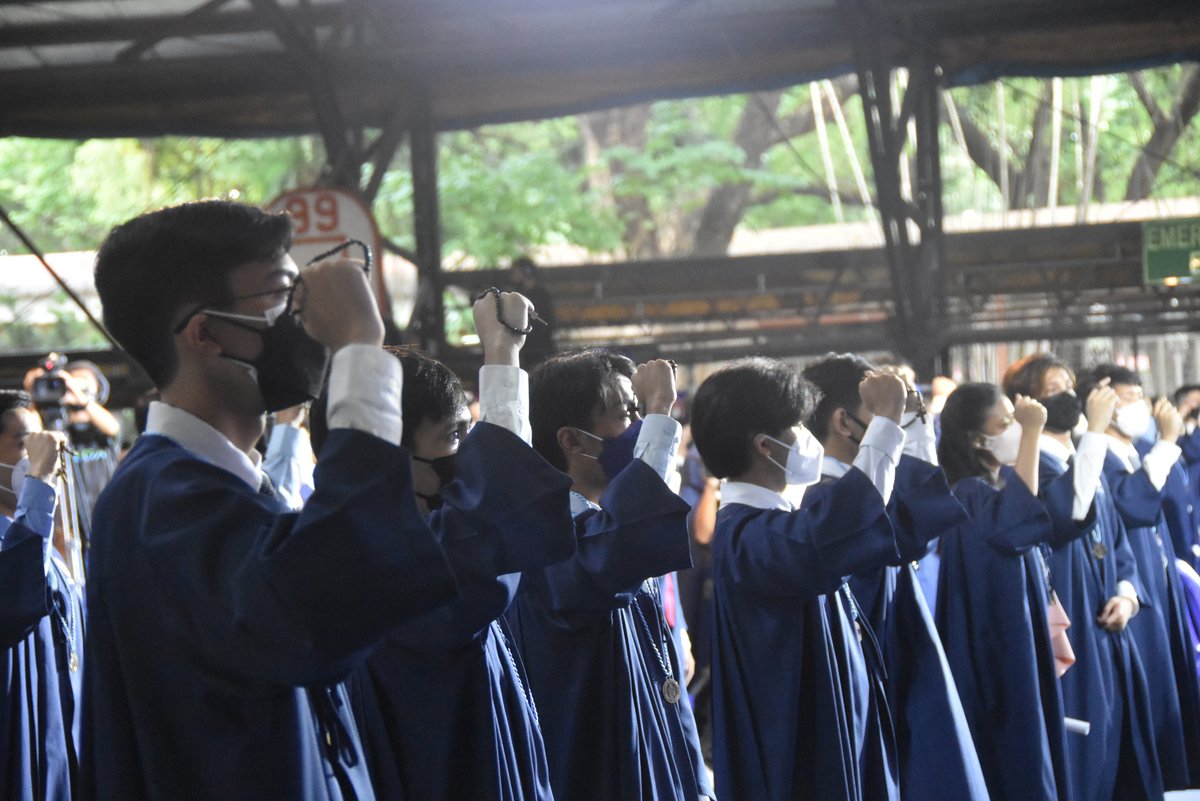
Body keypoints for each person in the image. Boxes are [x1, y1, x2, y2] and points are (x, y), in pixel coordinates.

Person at [83, 200, 460, 799]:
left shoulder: (224, 487)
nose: (305, 319)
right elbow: (323, 602)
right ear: (203, 332)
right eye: (283, 295)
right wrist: (360, 349)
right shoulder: (156, 502)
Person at [332, 291, 576, 801]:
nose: (468, 458)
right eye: (454, 436)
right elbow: (495, 517)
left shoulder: (409, 547)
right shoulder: (386, 572)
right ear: (390, 458)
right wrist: (502, 354)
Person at [691, 358, 909, 801]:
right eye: (795, 424)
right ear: (766, 446)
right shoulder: (745, 535)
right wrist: (885, 425)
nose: (807, 438)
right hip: (797, 755)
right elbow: (836, 528)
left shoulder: (774, 521)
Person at [505, 349, 712, 801]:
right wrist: (660, 413)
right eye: (627, 414)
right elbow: (621, 547)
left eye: (639, 413)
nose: (637, 429)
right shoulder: (550, 545)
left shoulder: (614, 526)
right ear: (572, 441)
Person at [800, 354, 985, 801]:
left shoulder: (853, 496)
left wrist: (914, 418)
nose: (896, 428)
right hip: (877, 676)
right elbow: (913, 523)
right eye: (882, 414)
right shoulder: (825, 504)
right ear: (844, 423)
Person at [1005, 353, 1164, 801]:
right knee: (1087, 757)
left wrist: (1128, 595)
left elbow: (1117, 545)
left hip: (1112, 631)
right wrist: (1095, 430)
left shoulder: (1084, 465)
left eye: (1070, 386)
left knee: (1125, 752)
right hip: (1075, 634)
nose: (1070, 398)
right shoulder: (1031, 476)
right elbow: (1068, 515)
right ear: (1027, 404)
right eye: (1055, 389)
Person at [934, 383, 1071, 801]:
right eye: (1006, 422)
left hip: (1011, 637)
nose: (1016, 429)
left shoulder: (989, 489)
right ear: (978, 440)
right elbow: (1015, 524)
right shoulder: (968, 495)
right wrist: (1031, 432)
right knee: (1015, 745)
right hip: (995, 644)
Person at [1081, 364, 1200, 791]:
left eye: (1139, 397)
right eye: (1129, 399)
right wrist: (1169, 441)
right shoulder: (1096, 457)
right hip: (1134, 585)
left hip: (1157, 580)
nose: (1143, 408)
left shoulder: (1131, 450)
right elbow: (1133, 504)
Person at [0, 390, 82, 801]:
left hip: (60, 730)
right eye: (24, 443)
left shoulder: (43, 536)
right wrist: (38, 486)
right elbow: (10, 596)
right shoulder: (26, 531)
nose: (40, 454)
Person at [508, 256, 555, 369]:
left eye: (517, 271)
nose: (513, 275)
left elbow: (547, 322)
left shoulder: (541, 293)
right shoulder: (518, 292)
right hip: (524, 344)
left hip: (540, 344)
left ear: (526, 272)